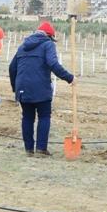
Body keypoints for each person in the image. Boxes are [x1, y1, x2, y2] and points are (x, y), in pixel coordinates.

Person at [9, 21, 74, 156]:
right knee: (44, 116)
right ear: (50, 36)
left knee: (27, 117)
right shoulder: (47, 44)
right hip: (41, 88)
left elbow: (12, 67)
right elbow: (53, 63)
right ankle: (41, 149)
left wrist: (16, 87)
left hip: (23, 88)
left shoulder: (23, 46)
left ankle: (28, 150)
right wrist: (69, 78)